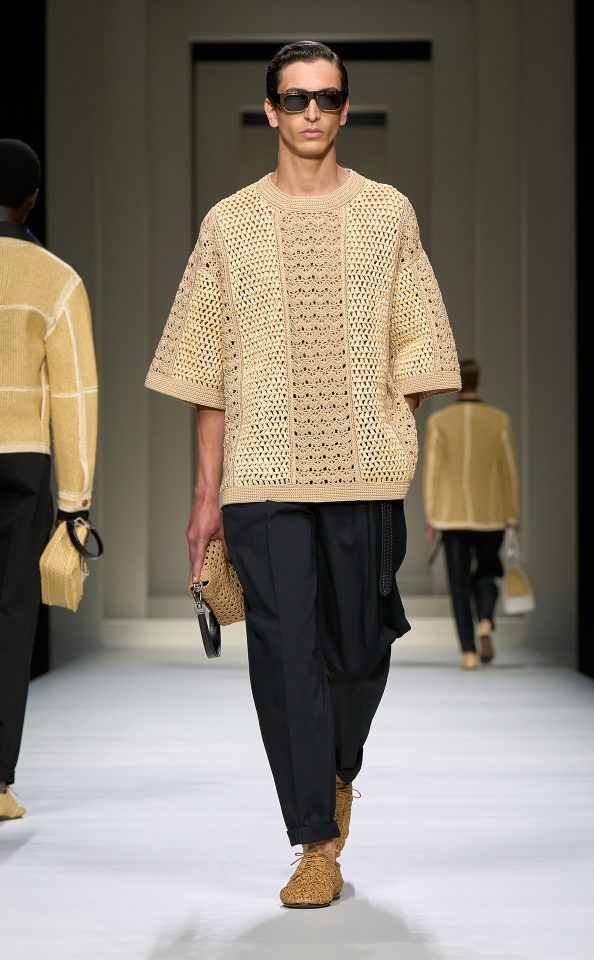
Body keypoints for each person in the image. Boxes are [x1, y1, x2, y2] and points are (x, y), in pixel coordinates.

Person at [146, 41, 460, 907]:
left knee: (357, 654)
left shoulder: (388, 212)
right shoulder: (229, 224)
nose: (312, 112)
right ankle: (315, 841)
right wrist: (206, 500)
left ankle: (337, 773)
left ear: (345, 109)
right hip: (262, 476)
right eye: (296, 98)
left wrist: (391, 419)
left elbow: (420, 337)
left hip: (366, 475)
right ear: (271, 110)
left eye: (326, 98)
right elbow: (208, 374)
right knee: (284, 654)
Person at [0, 139, 98, 820]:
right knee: (12, 618)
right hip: (24, 464)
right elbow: (75, 395)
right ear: (32, 199)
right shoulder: (56, 280)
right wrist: (76, 503)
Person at [423, 358, 519, 670]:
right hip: (491, 514)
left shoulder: (439, 422)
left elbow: (432, 472)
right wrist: (512, 513)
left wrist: (432, 515)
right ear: (481, 381)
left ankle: (467, 652)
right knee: (488, 572)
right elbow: (508, 471)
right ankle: (486, 621)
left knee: (458, 583)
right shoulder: (498, 420)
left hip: (451, 516)